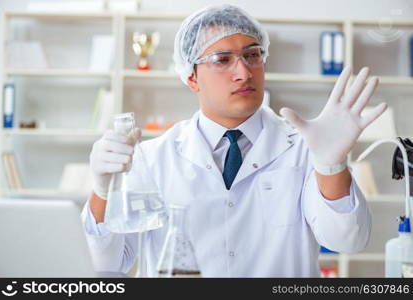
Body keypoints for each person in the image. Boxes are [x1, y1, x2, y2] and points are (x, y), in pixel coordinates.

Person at [81, 4, 387, 277]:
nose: (243, 72)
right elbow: (109, 263)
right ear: (191, 76)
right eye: (222, 59)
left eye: (252, 55)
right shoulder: (152, 157)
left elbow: (347, 240)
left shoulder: (307, 149)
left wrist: (331, 165)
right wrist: (101, 190)